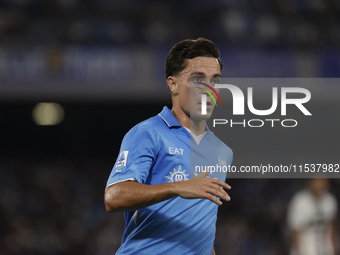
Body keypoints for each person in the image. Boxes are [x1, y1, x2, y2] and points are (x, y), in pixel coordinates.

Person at [104, 38, 233, 255]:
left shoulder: (222, 151)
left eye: (215, 81)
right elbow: (113, 197)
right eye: (198, 80)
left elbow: (201, 224)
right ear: (172, 83)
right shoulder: (148, 133)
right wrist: (177, 187)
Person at [287, 178, 338, 255]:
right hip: (306, 251)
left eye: (324, 180)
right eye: (318, 180)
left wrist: (334, 250)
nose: (322, 184)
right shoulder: (299, 201)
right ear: (310, 181)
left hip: (325, 251)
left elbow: (332, 229)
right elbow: (295, 232)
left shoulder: (330, 200)